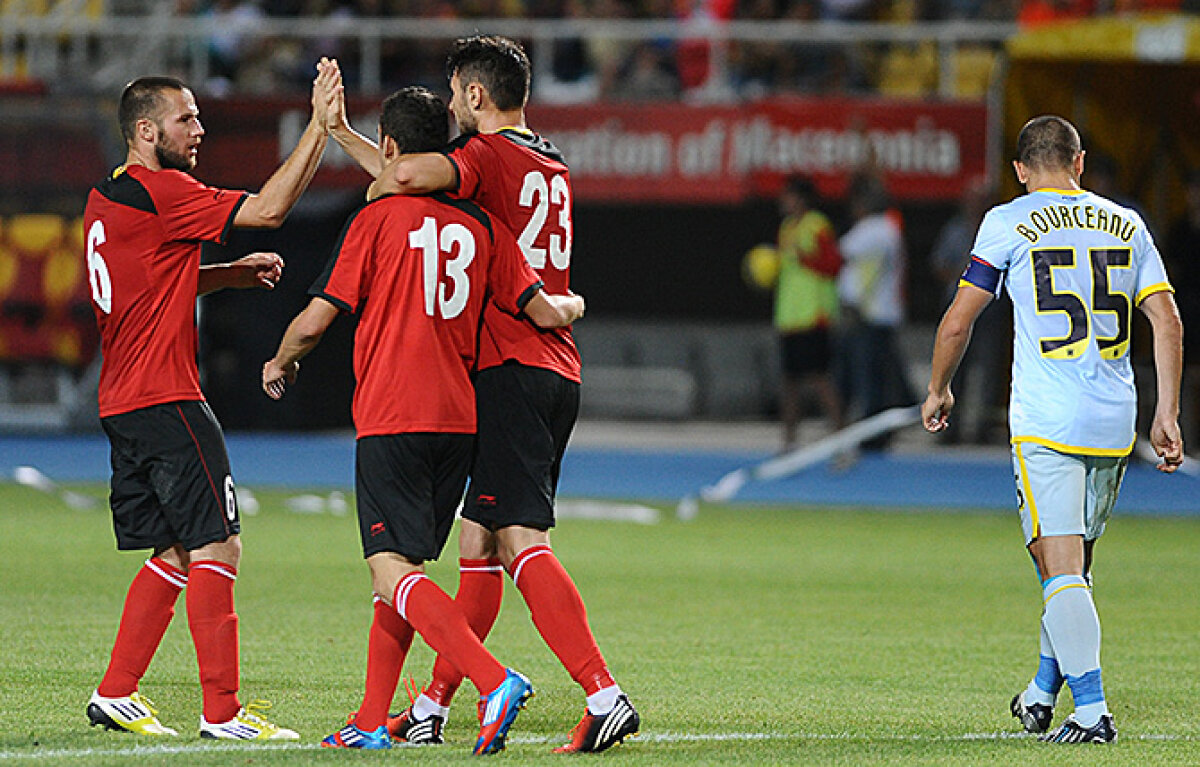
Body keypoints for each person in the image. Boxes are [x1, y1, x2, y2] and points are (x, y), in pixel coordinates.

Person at [323, 34, 640, 752]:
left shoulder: (485, 157)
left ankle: (603, 691)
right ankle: (433, 704)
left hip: (509, 366)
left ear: (472, 94)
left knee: (521, 536)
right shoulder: (548, 159)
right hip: (554, 364)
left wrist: (343, 139)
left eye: (456, 91)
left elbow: (403, 179)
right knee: (480, 542)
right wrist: (343, 132)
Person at [261, 86, 585, 754]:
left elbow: (317, 318)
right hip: (461, 422)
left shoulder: (377, 219)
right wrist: (575, 302)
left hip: (393, 412)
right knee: (402, 576)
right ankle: (372, 717)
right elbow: (543, 309)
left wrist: (280, 358)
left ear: (389, 148)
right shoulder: (483, 227)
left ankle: (493, 679)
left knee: (388, 570)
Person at [82, 61, 340, 740]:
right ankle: (222, 713)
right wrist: (320, 128)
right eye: (185, 118)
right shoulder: (166, 190)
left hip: (122, 401)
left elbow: (147, 284)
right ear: (146, 130)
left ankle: (115, 691)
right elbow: (270, 210)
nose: (199, 128)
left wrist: (225, 273)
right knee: (218, 546)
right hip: (168, 398)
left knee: (172, 551)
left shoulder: (109, 197)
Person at [922, 115, 1184, 744]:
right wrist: (1167, 412)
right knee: (1069, 564)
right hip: (1114, 420)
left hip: (1047, 421)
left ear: (1019, 170)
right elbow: (1167, 319)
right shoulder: (1127, 222)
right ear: (1080, 162)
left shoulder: (1008, 221)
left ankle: (1092, 712)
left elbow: (959, 322)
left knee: (1059, 567)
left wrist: (938, 388)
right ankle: (1042, 692)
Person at [929, 176, 1006, 444]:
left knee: (987, 371)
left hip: (991, 312)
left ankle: (983, 427)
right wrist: (968, 278)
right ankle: (951, 425)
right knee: (956, 367)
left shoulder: (1000, 229)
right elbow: (938, 265)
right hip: (959, 305)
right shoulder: (955, 229)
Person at [837, 174, 915, 436]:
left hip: (871, 315)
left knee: (869, 378)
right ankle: (891, 419)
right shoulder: (888, 228)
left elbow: (839, 253)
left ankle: (875, 433)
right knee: (882, 374)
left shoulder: (874, 229)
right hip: (881, 313)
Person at [772, 175, 843, 450]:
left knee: (821, 381)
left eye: (788, 195)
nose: (783, 201)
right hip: (789, 317)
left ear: (801, 198)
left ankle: (841, 443)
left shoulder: (817, 226)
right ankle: (788, 444)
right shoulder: (786, 228)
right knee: (789, 384)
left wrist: (806, 258)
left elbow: (833, 265)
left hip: (814, 316)